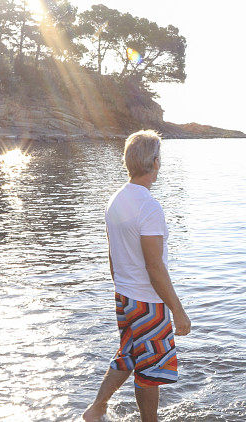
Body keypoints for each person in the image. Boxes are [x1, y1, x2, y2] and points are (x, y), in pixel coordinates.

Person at [83, 130, 192, 422]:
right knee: (150, 369)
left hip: (125, 295)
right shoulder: (148, 206)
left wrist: (121, 286)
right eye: (160, 158)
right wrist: (178, 311)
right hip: (147, 299)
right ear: (154, 161)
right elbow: (154, 267)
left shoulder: (115, 200)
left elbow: (111, 253)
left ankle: (96, 409)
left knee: (129, 354)